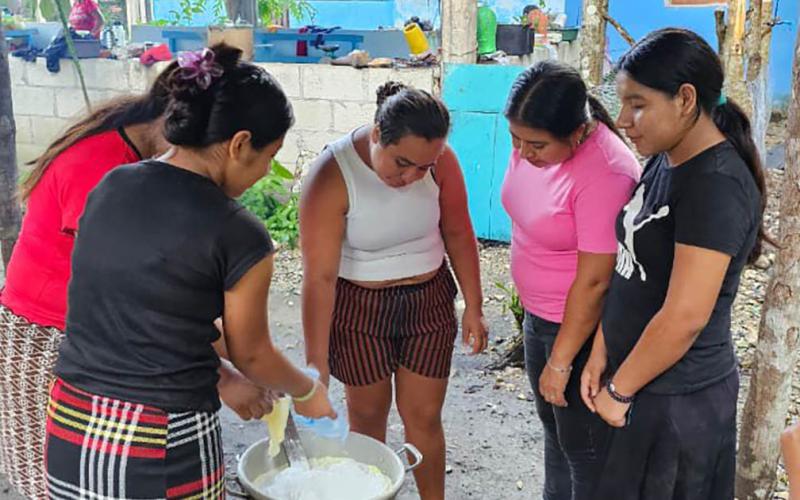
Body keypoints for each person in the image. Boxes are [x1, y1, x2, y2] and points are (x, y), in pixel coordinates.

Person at [45, 44, 335, 498]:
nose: (265, 172)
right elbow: (252, 354)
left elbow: (160, 308)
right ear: (239, 144)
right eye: (268, 155)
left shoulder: (111, 185)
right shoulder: (238, 232)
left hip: (71, 423)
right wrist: (306, 390)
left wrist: (240, 378)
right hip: (159, 437)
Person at [580, 28, 768, 499]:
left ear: (685, 99)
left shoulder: (716, 186)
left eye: (637, 104)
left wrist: (619, 391)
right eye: (622, 103)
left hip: (678, 404)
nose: (623, 120)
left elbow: (685, 316)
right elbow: (630, 268)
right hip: (637, 382)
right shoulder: (666, 157)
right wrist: (603, 347)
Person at [300, 81, 488, 500]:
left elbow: (459, 232)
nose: (412, 177)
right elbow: (319, 278)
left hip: (428, 301)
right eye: (402, 163)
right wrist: (316, 364)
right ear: (377, 134)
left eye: (424, 167)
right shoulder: (332, 172)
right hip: (358, 307)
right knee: (367, 419)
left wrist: (473, 305)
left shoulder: (442, 162)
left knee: (424, 417)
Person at [501, 60, 640, 500]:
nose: (523, 152)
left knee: (586, 452)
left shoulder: (606, 172)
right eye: (516, 139)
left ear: (577, 133)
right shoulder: (534, 141)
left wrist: (560, 362)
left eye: (536, 145)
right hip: (540, 317)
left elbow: (596, 282)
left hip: (579, 332)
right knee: (557, 436)